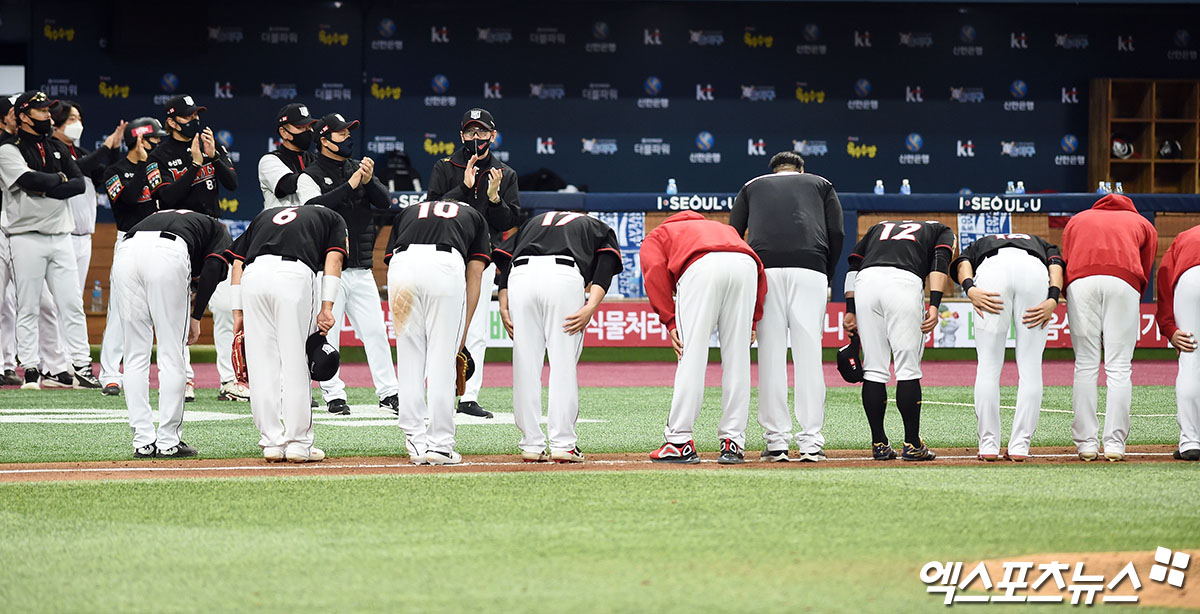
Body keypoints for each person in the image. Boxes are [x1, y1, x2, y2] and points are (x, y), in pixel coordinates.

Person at [729, 151, 843, 462]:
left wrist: (749, 273)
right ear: (800, 169)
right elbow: (837, 233)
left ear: (774, 169)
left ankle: (777, 442)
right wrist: (826, 272)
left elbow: (733, 235)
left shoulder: (751, 185)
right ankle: (810, 443)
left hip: (764, 269)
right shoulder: (821, 183)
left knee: (770, 356)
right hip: (811, 269)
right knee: (809, 355)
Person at [495, 210, 623, 464]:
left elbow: (507, 258)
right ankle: (563, 443)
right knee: (562, 364)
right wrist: (591, 306)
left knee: (525, 366)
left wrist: (502, 303)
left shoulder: (534, 222)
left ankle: (531, 444)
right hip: (562, 276)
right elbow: (606, 263)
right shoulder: (593, 224)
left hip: (521, 278)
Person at [640, 211, 767, 464]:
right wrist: (754, 318)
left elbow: (654, 270)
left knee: (692, 357)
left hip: (700, 266)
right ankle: (733, 442)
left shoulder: (660, 233)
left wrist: (669, 320)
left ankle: (679, 441)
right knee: (738, 360)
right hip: (746, 265)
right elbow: (760, 270)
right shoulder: (722, 229)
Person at [295, 113, 398, 415]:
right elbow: (312, 209)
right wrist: (352, 185)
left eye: (348, 133)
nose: (348, 139)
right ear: (324, 140)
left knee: (376, 332)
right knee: (329, 333)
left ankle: (389, 393)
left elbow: (385, 202)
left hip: (362, 267)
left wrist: (368, 181)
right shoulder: (308, 175)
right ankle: (333, 394)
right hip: (327, 270)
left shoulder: (357, 168)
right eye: (341, 134)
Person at [228, 204, 348, 463]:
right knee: (296, 363)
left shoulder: (266, 215)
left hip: (253, 276)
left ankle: (271, 442)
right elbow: (334, 259)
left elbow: (238, 261)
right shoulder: (333, 216)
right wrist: (327, 307)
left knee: (262, 365)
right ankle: (298, 444)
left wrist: (238, 312)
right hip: (292, 273)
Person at [146, 94, 243, 402]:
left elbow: (232, 183)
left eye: (196, 116)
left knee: (227, 307)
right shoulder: (158, 154)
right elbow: (168, 198)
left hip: (212, 232)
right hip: (178, 234)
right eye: (188, 117)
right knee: (179, 311)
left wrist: (213, 157)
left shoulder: (208, 144)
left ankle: (229, 380)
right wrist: (194, 165)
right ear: (171, 122)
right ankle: (183, 379)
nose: (195, 122)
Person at [0, 91, 100, 389]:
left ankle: (82, 366)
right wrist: (57, 181)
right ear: (23, 116)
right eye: (42, 111)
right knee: (27, 305)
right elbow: (28, 181)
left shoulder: (56, 145)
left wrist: (48, 184)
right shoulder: (8, 149)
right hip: (25, 235)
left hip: (61, 235)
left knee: (71, 304)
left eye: (48, 111)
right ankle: (30, 368)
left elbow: (79, 184)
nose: (48, 116)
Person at [426, 108, 522, 418]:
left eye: (482, 132)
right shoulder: (445, 166)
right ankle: (435, 390)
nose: (476, 138)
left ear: (493, 136)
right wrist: (464, 188)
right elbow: (430, 209)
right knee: (438, 326)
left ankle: (468, 397)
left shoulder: (505, 174)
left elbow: (509, 221)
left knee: (476, 329)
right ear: (461, 135)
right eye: (470, 132)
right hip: (446, 255)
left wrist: (495, 198)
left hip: (481, 260)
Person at [112, 209, 231, 457]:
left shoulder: (176, 217)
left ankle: (143, 441)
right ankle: (168, 442)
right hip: (167, 253)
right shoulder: (220, 230)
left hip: (126, 251)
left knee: (134, 354)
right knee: (172, 353)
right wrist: (197, 317)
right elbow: (211, 269)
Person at [383, 199, 489, 465]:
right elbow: (474, 275)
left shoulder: (411, 210)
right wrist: (463, 331)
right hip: (444, 264)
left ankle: (415, 441)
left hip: (401, 265)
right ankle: (440, 445)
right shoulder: (473, 214)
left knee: (410, 356)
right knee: (443, 359)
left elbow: (390, 258)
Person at [843, 218, 955, 461]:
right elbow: (940, 264)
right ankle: (913, 444)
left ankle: (879, 444)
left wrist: (850, 307)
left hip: (866, 282)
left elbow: (853, 265)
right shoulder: (941, 230)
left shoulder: (878, 226)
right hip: (903, 282)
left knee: (873, 367)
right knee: (907, 368)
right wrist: (934, 305)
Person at [952, 233, 1064, 461]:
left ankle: (988, 446)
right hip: (1034, 272)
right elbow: (1056, 265)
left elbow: (963, 262)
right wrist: (1053, 298)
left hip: (993, 271)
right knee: (1031, 368)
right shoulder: (1040, 241)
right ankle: (1020, 447)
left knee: (988, 367)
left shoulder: (983, 241)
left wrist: (970, 288)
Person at [1061, 193, 1157, 462]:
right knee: (1119, 366)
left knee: (1086, 364)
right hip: (1124, 281)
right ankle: (1115, 444)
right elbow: (1146, 266)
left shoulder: (1077, 220)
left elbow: (1067, 257)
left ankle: (1086, 445)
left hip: (1081, 282)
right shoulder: (1142, 223)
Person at [97, 118, 168, 395]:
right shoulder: (114, 171)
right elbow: (127, 202)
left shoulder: (156, 168)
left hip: (159, 241)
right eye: (153, 139)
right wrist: (141, 165)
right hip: (128, 241)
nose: (158, 143)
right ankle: (110, 374)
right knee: (119, 310)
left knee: (159, 309)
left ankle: (160, 372)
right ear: (138, 141)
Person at [49, 100, 124, 292]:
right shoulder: (52, 149)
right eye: (72, 119)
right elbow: (76, 168)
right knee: (56, 300)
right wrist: (105, 148)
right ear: (55, 122)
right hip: (62, 236)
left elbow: (108, 175)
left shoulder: (81, 152)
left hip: (85, 238)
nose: (78, 124)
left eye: (80, 119)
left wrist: (115, 149)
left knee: (76, 295)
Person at [1156, 225, 1200, 462]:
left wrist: (1169, 328)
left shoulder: (1185, 236)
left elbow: (1164, 276)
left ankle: (1191, 442)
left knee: (1190, 357)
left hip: (1190, 278)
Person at [259, 103, 318, 210]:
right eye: (301, 127)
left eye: (309, 127)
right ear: (284, 132)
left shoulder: (314, 160)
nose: (308, 131)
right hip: (281, 224)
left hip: (311, 223)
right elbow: (286, 185)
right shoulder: (270, 160)